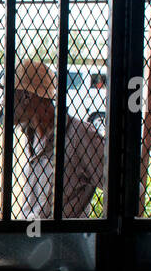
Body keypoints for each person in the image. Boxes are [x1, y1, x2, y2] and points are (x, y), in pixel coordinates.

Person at [10, 59, 106, 219]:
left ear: (27, 96)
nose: (3, 102)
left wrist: (97, 235)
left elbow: (128, 191)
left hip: (63, 241)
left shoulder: (80, 135)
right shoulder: (32, 135)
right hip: (33, 238)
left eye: (10, 95)